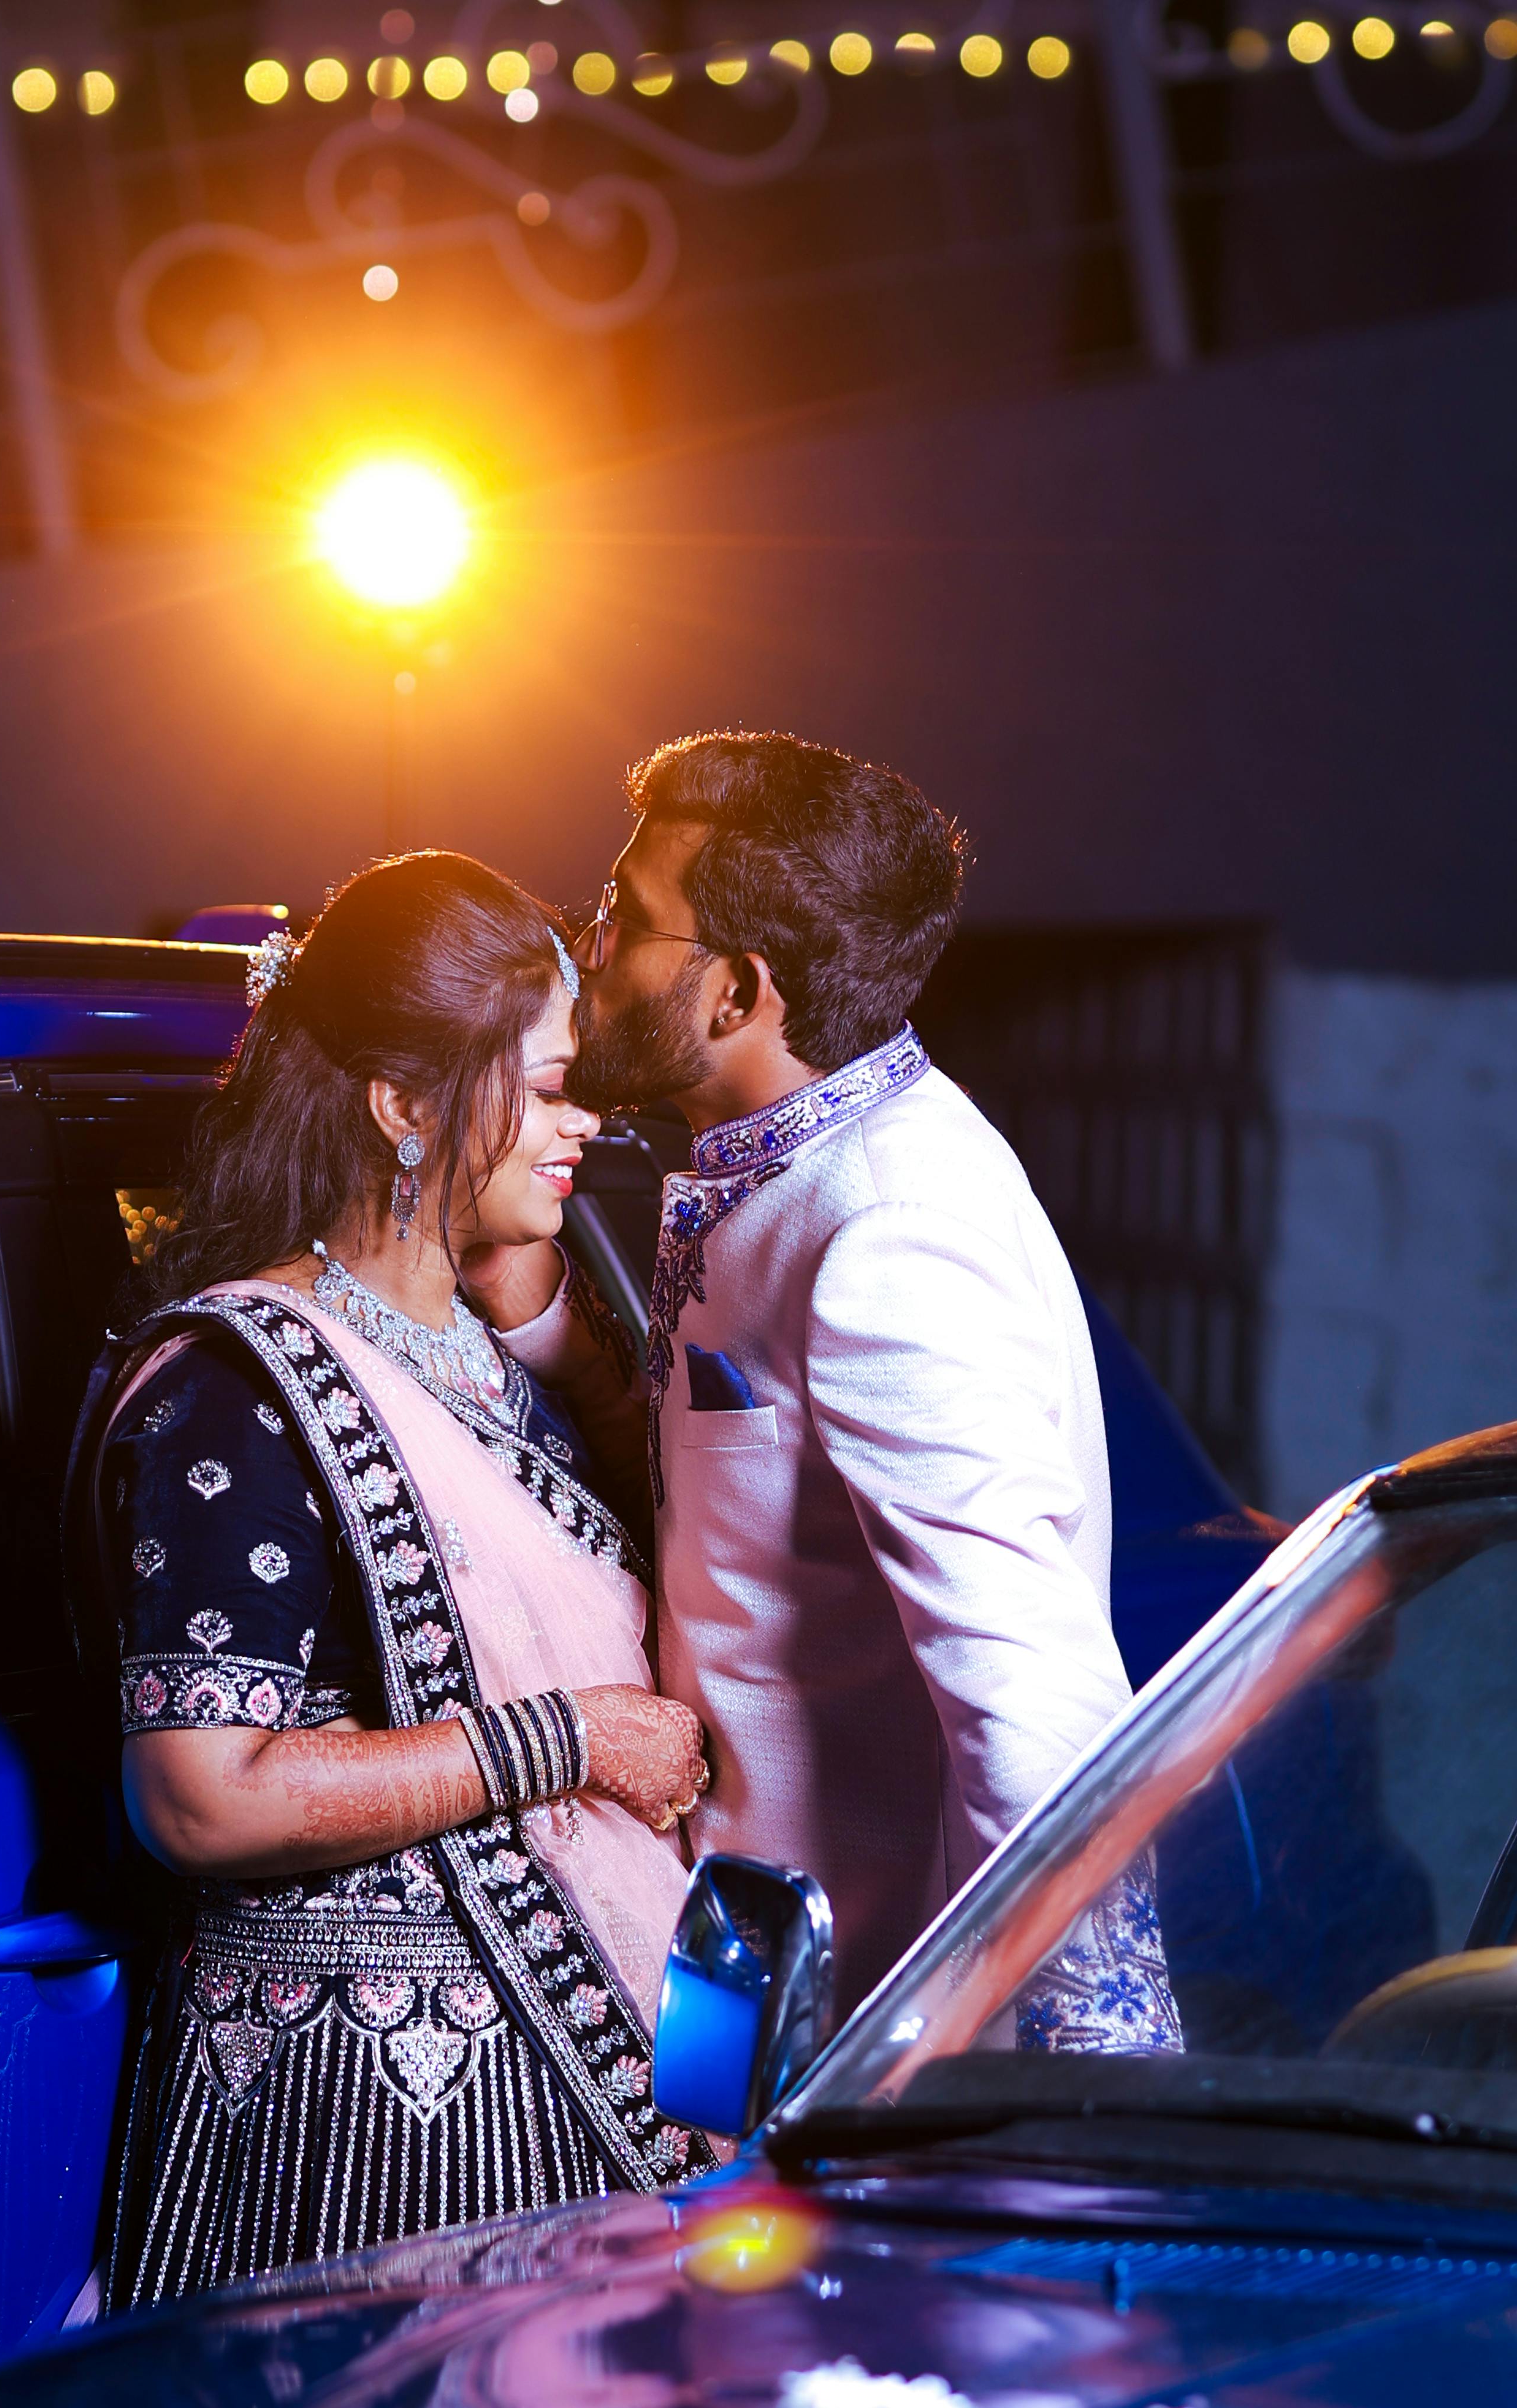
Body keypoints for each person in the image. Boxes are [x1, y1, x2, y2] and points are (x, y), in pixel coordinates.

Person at [69, 850, 711, 2310]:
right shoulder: (246, 1383)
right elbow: (201, 1793)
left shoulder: (466, 1358)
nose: (586, 1124)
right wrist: (571, 1738)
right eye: (545, 1089)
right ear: (407, 1104)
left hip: (532, 2106)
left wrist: (516, 1292)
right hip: (364, 2134)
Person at [485, 726, 1176, 2048]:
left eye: (624, 919)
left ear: (737, 995)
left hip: (855, 2026)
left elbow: (1032, 1707)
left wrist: (1032, 2087)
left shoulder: (889, 1228)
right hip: (735, 1970)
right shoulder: (774, 1162)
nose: (583, 949)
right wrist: (525, 1311)